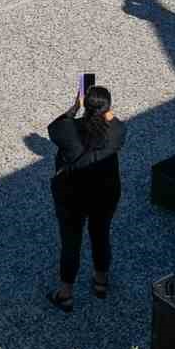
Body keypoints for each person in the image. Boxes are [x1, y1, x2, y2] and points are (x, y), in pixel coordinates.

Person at [46, 84, 125, 312]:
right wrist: (104, 107)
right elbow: (115, 121)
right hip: (105, 194)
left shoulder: (69, 130)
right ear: (108, 109)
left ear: (84, 106)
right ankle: (101, 282)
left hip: (72, 196)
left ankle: (66, 294)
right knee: (101, 235)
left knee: (71, 242)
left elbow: (53, 127)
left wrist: (75, 107)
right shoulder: (117, 132)